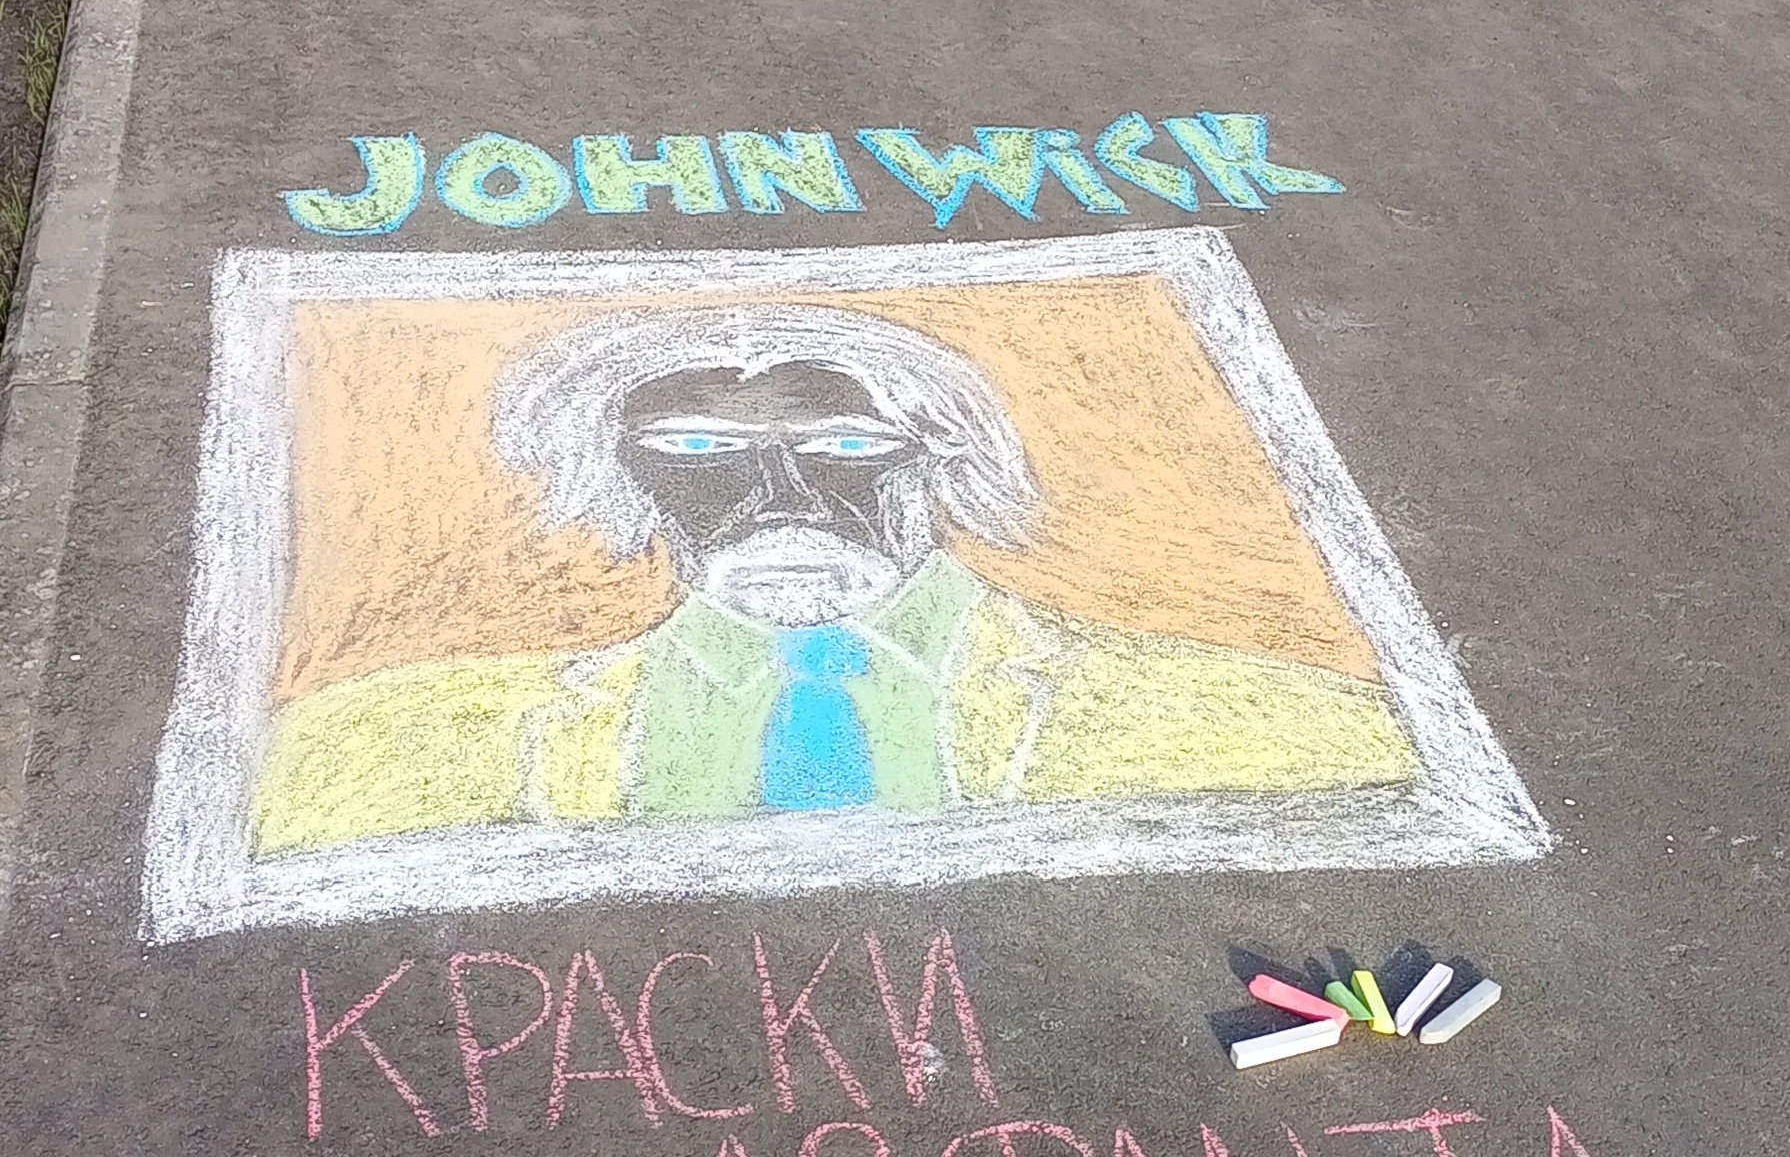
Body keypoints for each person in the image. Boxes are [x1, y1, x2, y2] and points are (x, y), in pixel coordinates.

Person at [253, 305, 1417, 854]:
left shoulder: (1286, 723)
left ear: (944, 466)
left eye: (849, 445)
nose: (785, 496)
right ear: (627, 479)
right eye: (699, 448)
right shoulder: (367, 744)